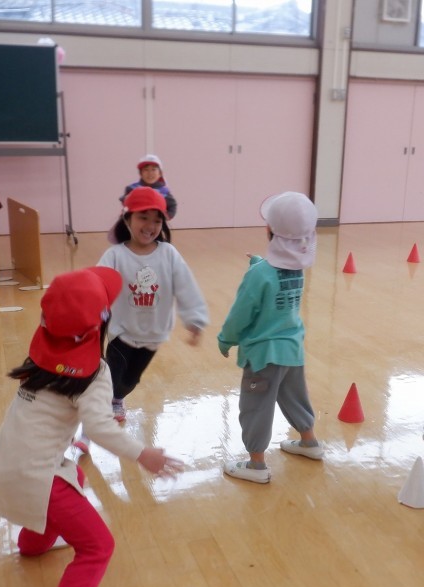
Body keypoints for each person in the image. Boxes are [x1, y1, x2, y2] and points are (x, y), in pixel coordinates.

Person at [0, 266, 184, 587]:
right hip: (35, 478)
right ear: (101, 324)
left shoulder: (40, 355)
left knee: (75, 475)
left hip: (4, 465)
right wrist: (143, 453)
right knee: (97, 547)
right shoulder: (95, 373)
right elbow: (100, 427)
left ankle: (32, 544)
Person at [73, 187, 208, 454]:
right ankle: (86, 433)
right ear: (127, 219)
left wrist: (194, 319)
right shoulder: (115, 255)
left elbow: (186, 286)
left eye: (157, 220)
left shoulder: (168, 254)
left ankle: (118, 399)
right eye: (143, 218)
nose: (150, 226)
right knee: (106, 381)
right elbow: (96, 286)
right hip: (121, 332)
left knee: (129, 382)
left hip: (154, 334)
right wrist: (85, 317)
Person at [217, 191, 323, 484]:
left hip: (263, 357)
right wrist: (259, 263)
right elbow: (277, 277)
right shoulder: (298, 268)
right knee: (295, 396)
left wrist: (226, 338)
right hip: (292, 349)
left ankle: (256, 465)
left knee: (256, 407)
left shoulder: (259, 275)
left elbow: (241, 313)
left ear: (269, 229)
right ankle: (309, 442)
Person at [120, 154, 177, 220]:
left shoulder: (164, 192)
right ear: (140, 173)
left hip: (154, 222)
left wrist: (166, 217)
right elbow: (125, 202)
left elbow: (172, 205)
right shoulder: (133, 188)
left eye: (153, 169)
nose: (150, 173)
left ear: (160, 173)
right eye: (146, 170)